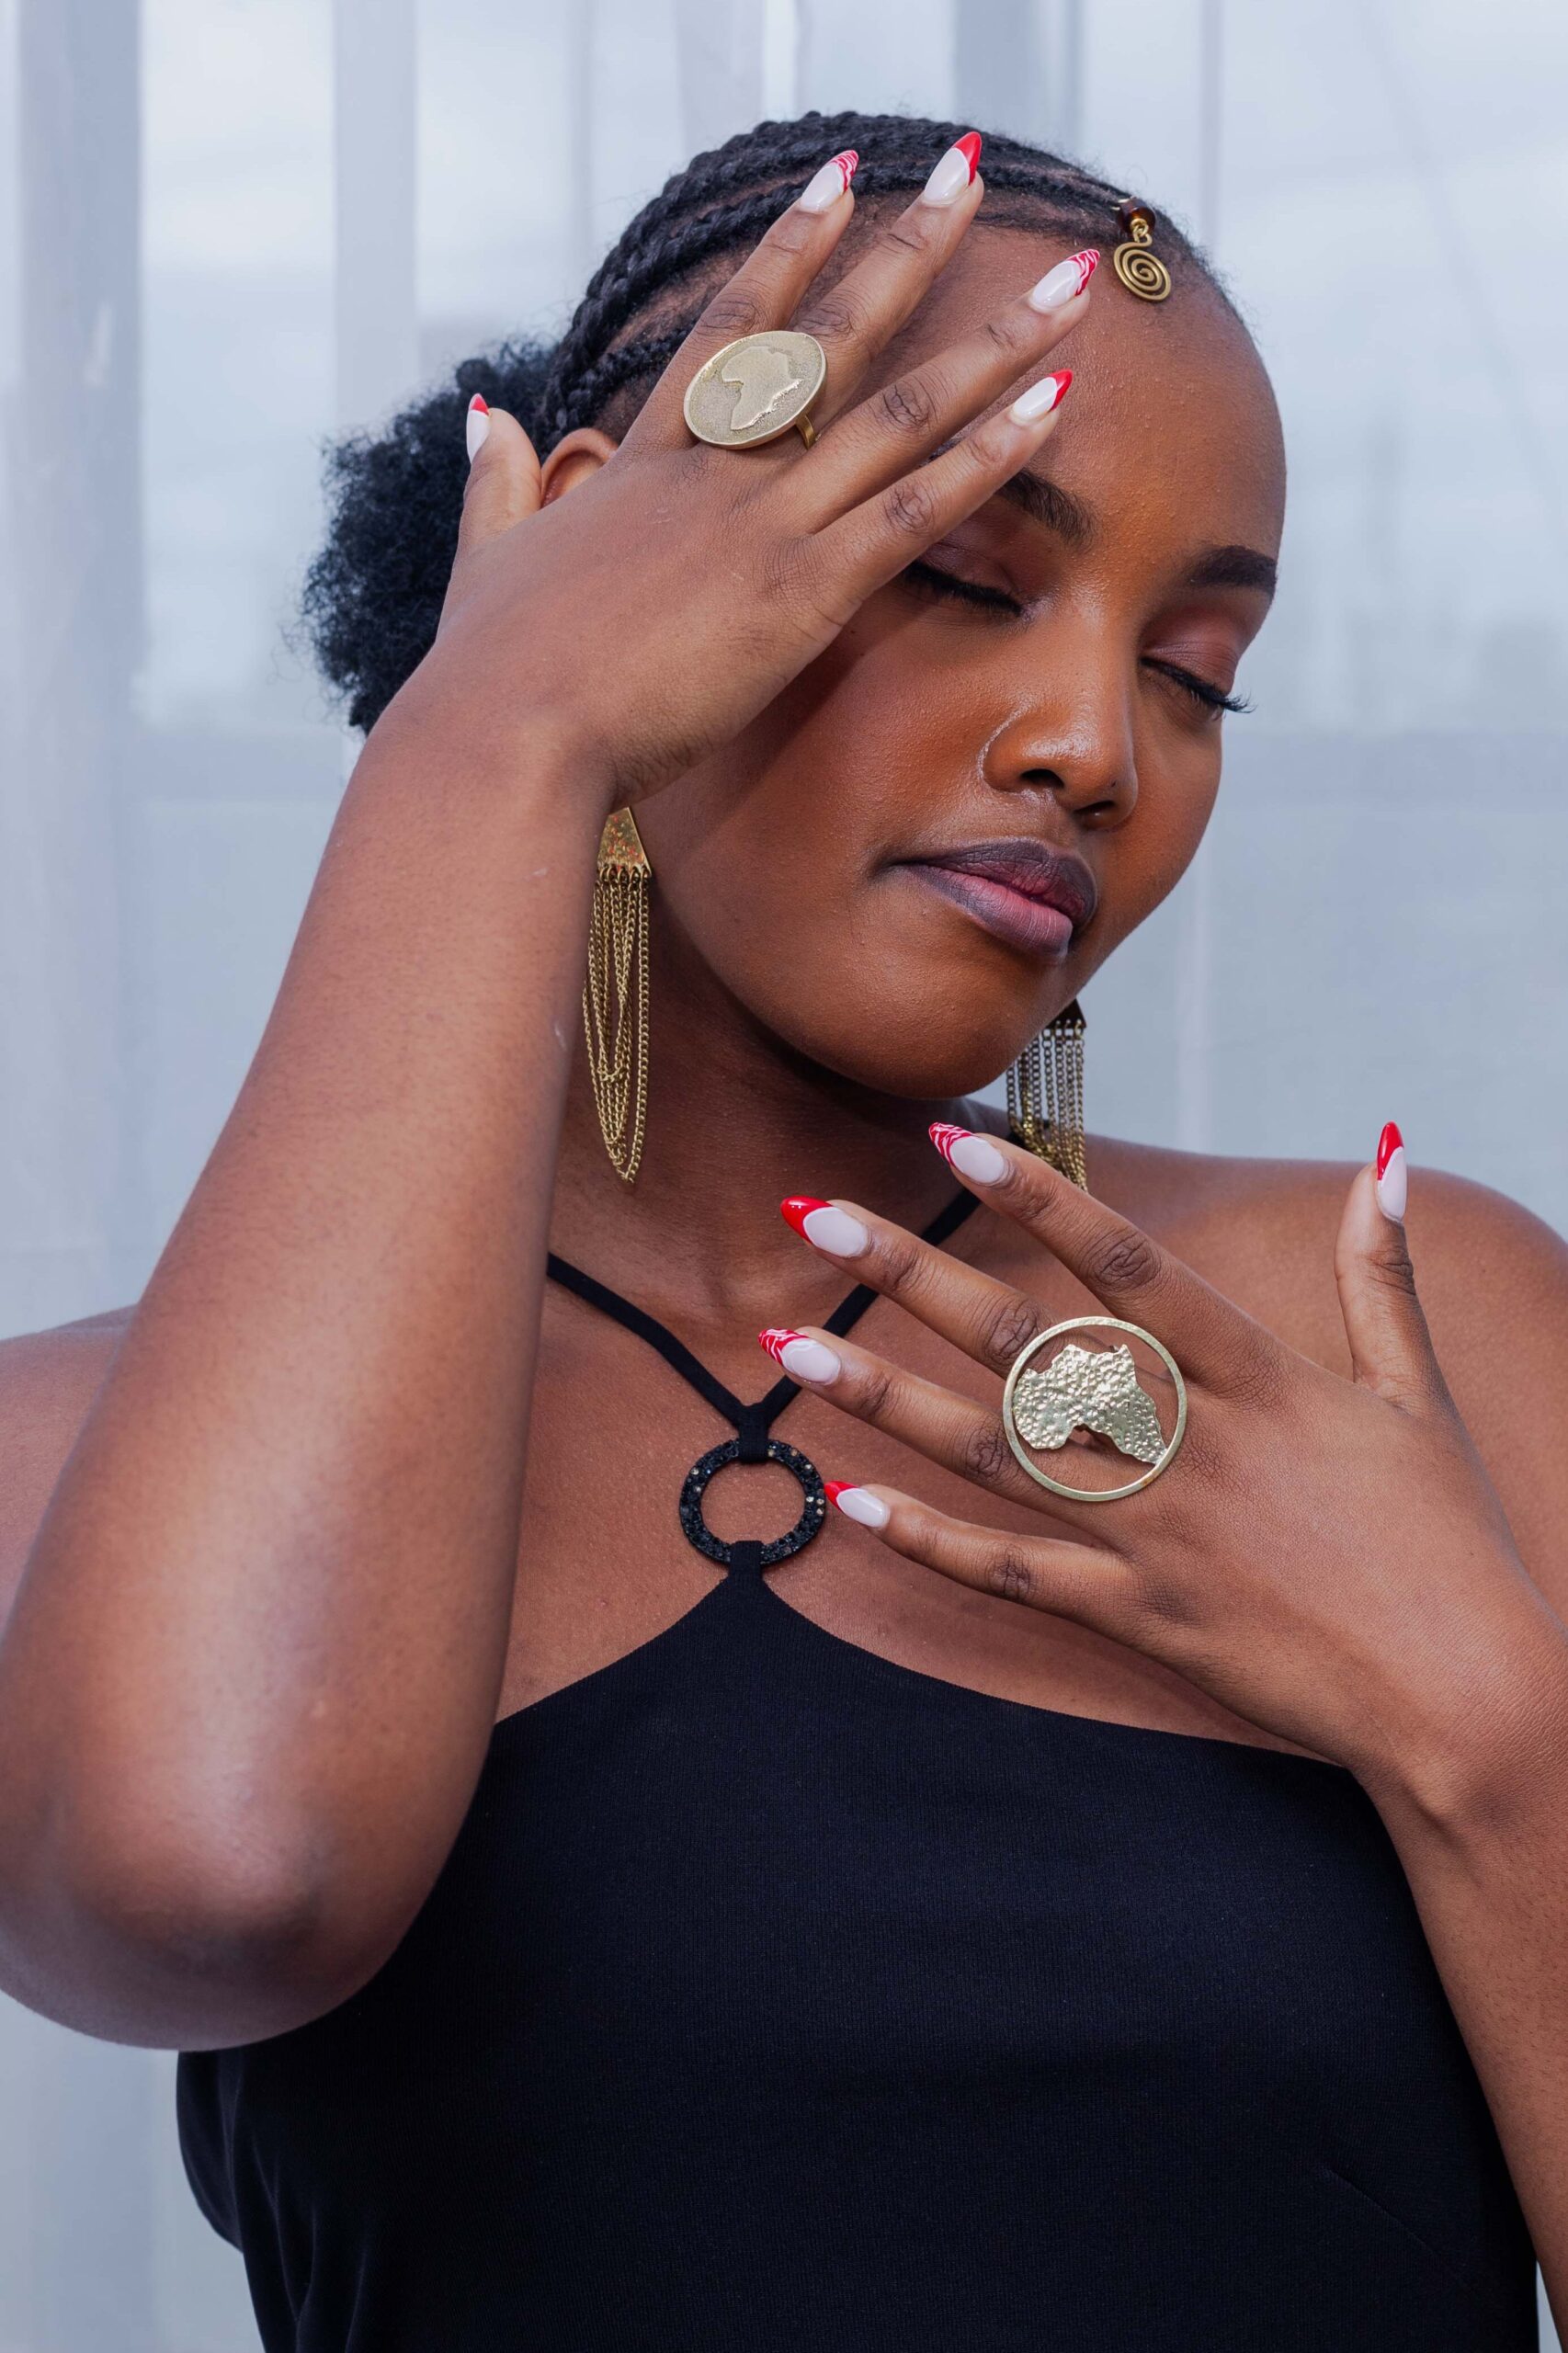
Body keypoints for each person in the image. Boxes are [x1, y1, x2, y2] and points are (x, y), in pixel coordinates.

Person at [0, 107, 1565, 2351]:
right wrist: (497, 724)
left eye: (1196, 671)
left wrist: (1493, 1726)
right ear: (610, 561)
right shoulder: (81, 1459)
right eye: (964, 571)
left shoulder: (1400, 1329)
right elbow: (213, 1880)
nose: (1097, 745)